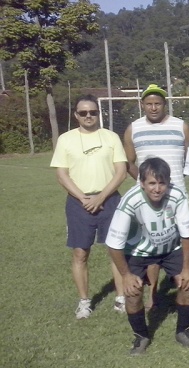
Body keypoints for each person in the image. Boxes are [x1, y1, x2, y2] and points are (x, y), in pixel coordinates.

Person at [105, 158, 189, 355]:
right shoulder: (130, 201)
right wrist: (126, 275)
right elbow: (113, 245)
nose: (157, 189)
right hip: (138, 252)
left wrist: (188, 268)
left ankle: (183, 331)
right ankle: (141, 336)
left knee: (188, 284)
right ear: (141, 183)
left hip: (171, 249)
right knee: (132, 293)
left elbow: (186, 234)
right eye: (152, 183)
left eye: (162, 183)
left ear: (169, 182)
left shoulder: (178, 195)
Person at [50, 95, 127, 319]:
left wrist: (101, 197)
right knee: (80, 253)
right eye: (83, 113)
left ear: (98, 113)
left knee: (116, 251)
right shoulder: (66, 139)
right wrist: (83, 198)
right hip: (78, 202)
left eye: (92, 112)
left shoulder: (111, 137)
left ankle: (121, 298)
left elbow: (120, 171)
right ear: (76, 115)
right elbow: (61, 174)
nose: (88, 116)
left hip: (109, 200)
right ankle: (84, 302)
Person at [123, 84, 189, 309]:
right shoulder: (133, 129)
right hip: (147, 200)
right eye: (149, 103)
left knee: (179, 241)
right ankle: (152, 293)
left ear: (165, 104)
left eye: (158, 103)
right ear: (142, 105)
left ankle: (184, 280)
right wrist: (144, 183)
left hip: (176, 197)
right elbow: (128, 162)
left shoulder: (181, 127)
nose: (153, 107)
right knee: (152, 242)